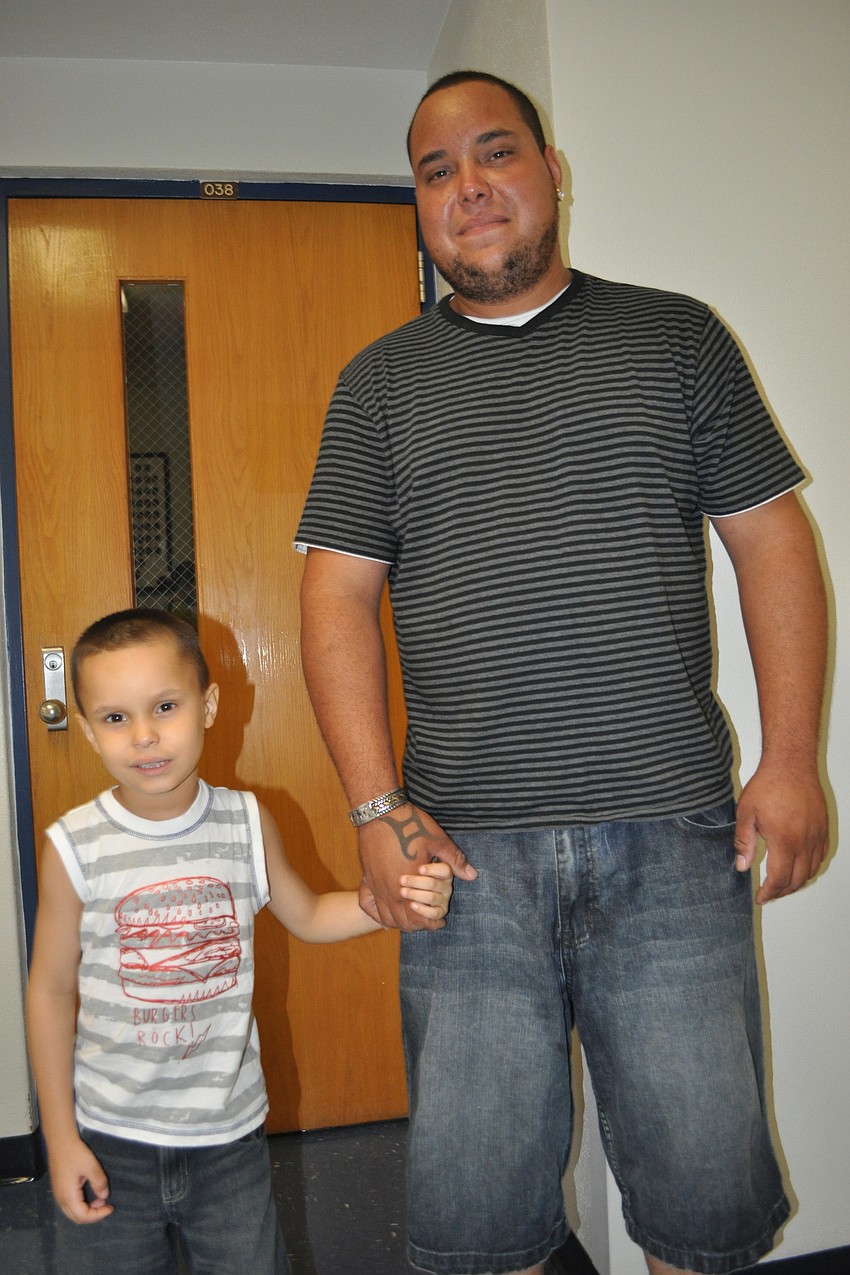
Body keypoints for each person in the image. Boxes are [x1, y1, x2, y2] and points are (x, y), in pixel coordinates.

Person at [295, 70, 830, 1275]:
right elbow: (333, 594)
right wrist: (377, 813)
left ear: (551, 172)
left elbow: (770, 541)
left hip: (674, 844)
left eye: (495, 154)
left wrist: (793, 762)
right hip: (463, 862)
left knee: (705, 1216)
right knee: (483, 1230)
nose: (469, 188)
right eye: (437, 171)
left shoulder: (675, 337)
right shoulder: (378, 384)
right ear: (420, 205)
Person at [25, 607, 456, 1275]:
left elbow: (309, 913)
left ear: (208, 704)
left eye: (164, 705)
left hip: (228, 1138)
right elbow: (50, 992)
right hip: (110, 1138)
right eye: (115, 718)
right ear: (85, 729)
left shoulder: (244, 822)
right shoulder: (74, 847)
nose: (144, 735)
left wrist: (391, 903)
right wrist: (59, 1139)